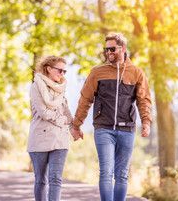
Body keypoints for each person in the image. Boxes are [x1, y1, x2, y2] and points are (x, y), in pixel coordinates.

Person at [71, 33, 152, 201]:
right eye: (106, 49)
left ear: (122, 49)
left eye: (112, 49)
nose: (108, 52)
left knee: (122, 175)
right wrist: (76, 125)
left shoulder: (136, 73)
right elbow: (85, 99)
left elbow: (143, 100)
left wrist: (146, 122)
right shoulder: (97, 72)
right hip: (104, 129)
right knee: (106, 172)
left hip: (127, 129)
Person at [27, 55, 73, 201]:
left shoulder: (61, 88)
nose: (62, 74)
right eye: (60, 70)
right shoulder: (36, 87)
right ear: (48, 69)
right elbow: (43, 112)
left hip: (60, 140)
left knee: (56, 180)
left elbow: (66, 110)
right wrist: (62, 120)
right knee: (41, 180)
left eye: (64, 71)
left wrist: (75, 127)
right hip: (40, 139)